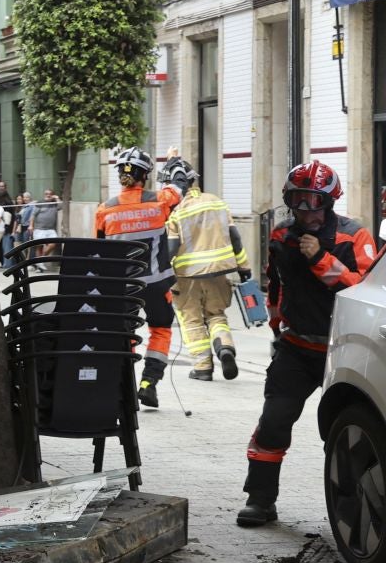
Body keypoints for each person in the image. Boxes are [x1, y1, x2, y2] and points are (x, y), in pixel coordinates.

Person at [238, 161, 378, 526]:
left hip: (344, 350)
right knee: (273, 421)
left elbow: (359, 290)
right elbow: (276, 282)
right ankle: (260, 499)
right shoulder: (281, 237)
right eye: (299, 201)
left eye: (315, 201)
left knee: (352, 427)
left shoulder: (354, 237)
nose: (307, 211)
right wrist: (275, 323)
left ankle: (357, 505)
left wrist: (319, 258)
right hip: (298, 348)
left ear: (329, 201)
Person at [94, 146, 182, 408]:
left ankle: (125, 388)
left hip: (121, 288)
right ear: (145, 176)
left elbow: (99, 252)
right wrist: (174, 160)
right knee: (161, 329)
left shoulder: (104, 210)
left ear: (120, 174)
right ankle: (149, 383)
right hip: (156, 285)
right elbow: (180, 185)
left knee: (124, 334)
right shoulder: (159, 201)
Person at [162, 162, 249, 382]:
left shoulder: (177, 213)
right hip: (219, 273)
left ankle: (202, 367)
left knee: (192, 320)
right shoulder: (217, 203)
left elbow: (171, 249)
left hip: (187, 277)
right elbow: (235, 238)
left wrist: (161, 272)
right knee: (216, 315)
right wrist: (244, 268)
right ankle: (225, 347)